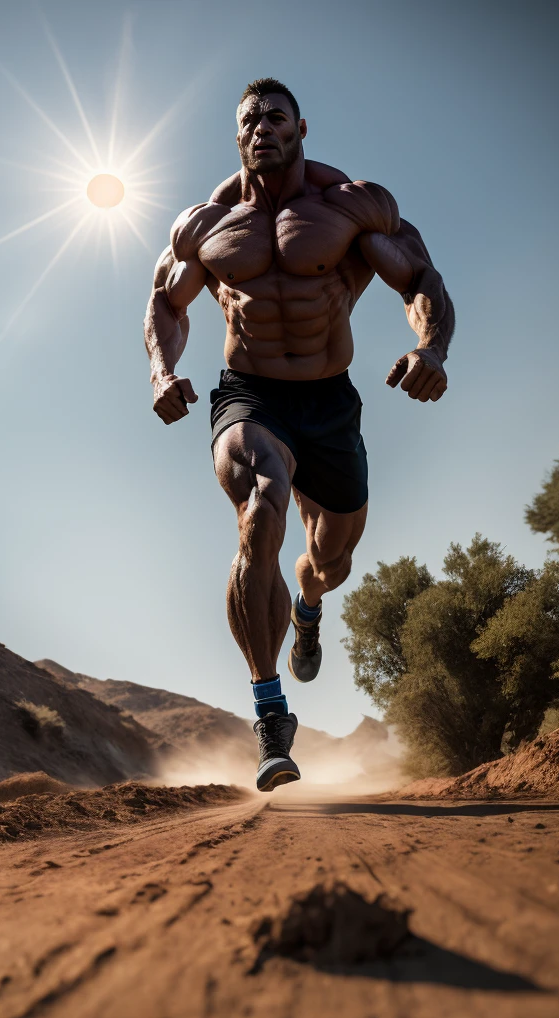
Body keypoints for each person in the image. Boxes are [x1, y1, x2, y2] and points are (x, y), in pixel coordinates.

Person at [142, 78, 454, 792]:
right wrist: (162, 371)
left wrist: (431, 348)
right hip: (249, 395)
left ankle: (309, 609)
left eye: (275, 118)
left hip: (330, 403)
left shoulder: (351, 205)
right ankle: (269, 711)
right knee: (260, 506)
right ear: (237, 136)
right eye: (249, 120)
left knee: (328, 560)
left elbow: (419, 280)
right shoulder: (205, 224)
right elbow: (167, 300)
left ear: (301, 127)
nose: (262, 129)